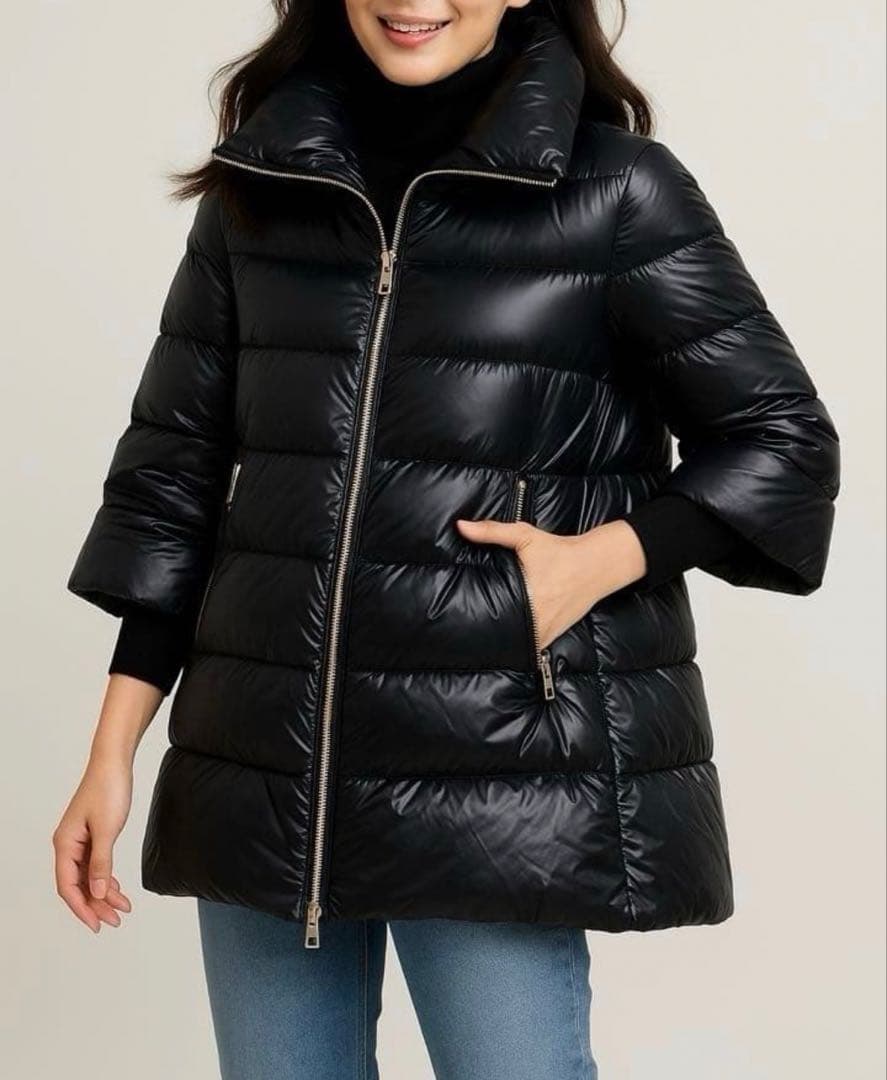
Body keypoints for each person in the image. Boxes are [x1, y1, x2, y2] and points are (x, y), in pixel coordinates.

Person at [54, 2, 841, 1078]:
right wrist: (110, 755)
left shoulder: (614, 191)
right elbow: (173, 480)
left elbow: (782, 440)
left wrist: (596, 561)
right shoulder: (261, 187)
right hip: (266, 772)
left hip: (496, 773)